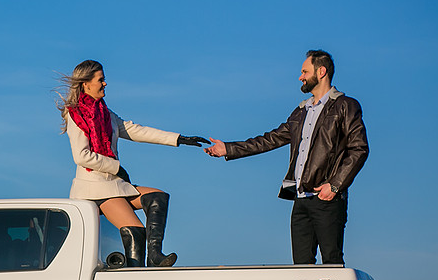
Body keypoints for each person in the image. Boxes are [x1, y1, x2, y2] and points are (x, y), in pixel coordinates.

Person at [204, 49, 368, 265]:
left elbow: (359, 149)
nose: (300, 77)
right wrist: (229, 149)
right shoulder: (301, 112)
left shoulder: (345, 106)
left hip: (327, 199)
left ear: (321, 72)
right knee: (300, 268)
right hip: (300, 201)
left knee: (332, 265)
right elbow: (270, 139)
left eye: (304, 71)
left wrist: (335, 185)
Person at [58, 59, 208, 267]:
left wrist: (178, 138)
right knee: (135, 231)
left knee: (157, 197)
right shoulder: (75, 114)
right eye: (101, 80)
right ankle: (133, 276)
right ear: (86, 84)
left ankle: (154, 256)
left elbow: (136, 130)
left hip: (113, 184)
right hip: (94, 189)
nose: (105, 84)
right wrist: (116, 167)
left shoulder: (105, 114)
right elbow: (81, 156)